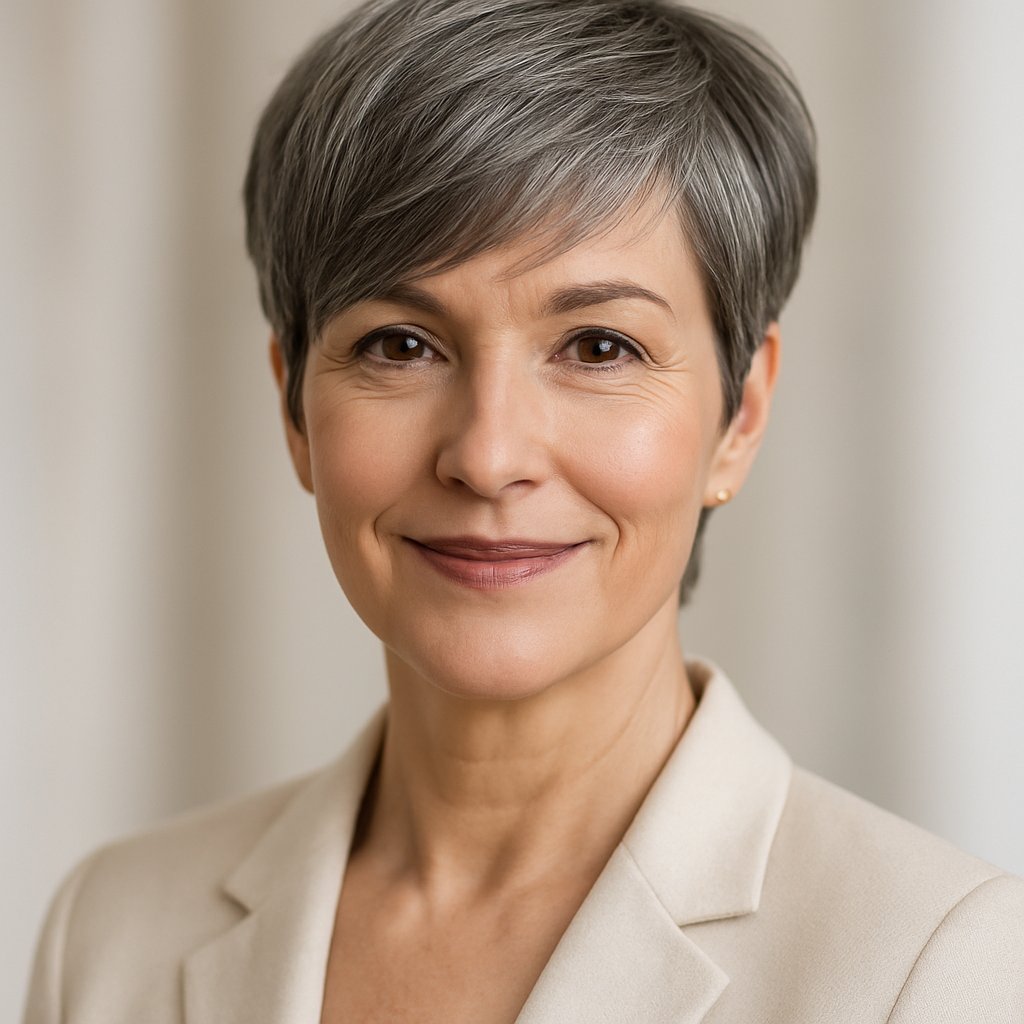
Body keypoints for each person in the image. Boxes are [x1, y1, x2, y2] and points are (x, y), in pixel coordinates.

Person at [23, 0, 1024, 1021]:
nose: (488, 456)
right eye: (399, 345)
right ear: (294, 407)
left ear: (740, 412)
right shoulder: (112, 933)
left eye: (598, 347)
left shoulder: (936, 967)